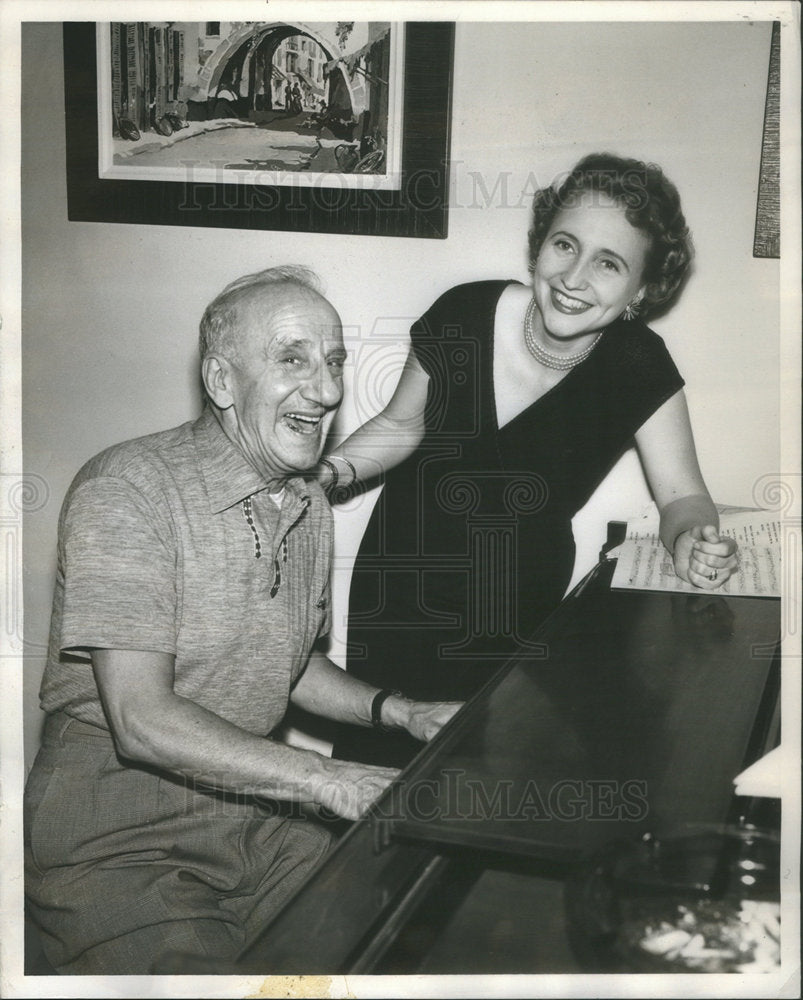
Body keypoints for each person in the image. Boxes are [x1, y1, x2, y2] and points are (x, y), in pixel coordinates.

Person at [23, 266, 461, 975]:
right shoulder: (127, 491)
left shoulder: (306, 501)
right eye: (293, 359)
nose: (326, 391)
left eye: (334, 362)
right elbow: (140, 719)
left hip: (252, 822)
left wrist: (402, 714)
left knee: (389, 947)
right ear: (222, 382)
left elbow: (289, 666)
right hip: (117, 841)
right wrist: (328, 778)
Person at [318, 153, 740, 768]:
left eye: (608, 263)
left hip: (515, 603)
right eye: (564, 245)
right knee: (379, 773)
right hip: (401, 584)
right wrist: (326, 477)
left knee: (487, 778)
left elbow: (682, 495)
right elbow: (400, 423)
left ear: (641, 289)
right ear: (540, 245)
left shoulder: (639, 365)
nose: (573, 276)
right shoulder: (463, 313)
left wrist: (693, 539)